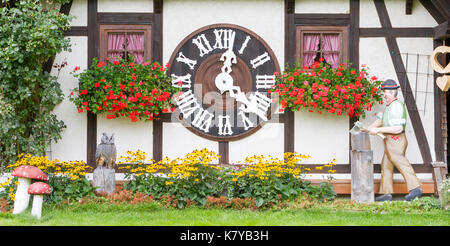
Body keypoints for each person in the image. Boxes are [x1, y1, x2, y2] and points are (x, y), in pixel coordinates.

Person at [364, 79, 423, 202]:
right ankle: (386, 193)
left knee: (400, 161)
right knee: (386, 165)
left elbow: (398, 128)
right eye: (384, 92)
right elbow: (381, 121)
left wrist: (378, 131)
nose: (384, 95)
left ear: (392, 92)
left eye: (386, 92)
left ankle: (415, 187)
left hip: (396, 140)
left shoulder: (396, 106)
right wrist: (368, 128)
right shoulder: (389, 106)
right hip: (389, 140)